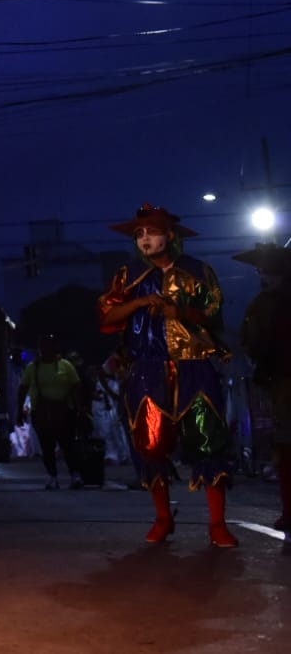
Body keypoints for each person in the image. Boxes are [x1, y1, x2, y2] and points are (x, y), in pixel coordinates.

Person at [98, 204, 237, 547]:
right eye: (140, 234)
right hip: (147, 367)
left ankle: (218, 524)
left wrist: (181, 312)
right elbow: (107, 314)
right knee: (151, 442)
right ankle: (162, 518)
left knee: (208, 439)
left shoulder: (198, 271)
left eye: (152, 232)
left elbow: (214, 315)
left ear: (170, 236)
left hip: (194, 366)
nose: (145, 239)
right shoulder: (128, 274)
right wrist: (138, 305)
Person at [237, 243, 291, 531]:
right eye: (262, 271)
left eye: (270, 271)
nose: (264, 276)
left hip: (283, 381)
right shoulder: (261, 304)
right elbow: (250, 342)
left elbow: (251, 342)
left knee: (286, 448)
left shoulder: (265, 304)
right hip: (281, 382)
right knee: (285, 449)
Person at [16, 335, 83, 490]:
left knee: (68, 445)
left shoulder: (65, 366)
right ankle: (52, 477)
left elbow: (76, 386)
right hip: (41, 412)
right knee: (47, 446)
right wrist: (19, 410)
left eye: (49, 347)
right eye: (43, 347)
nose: (46, 350)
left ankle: (75, 475)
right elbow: (23, 388)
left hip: (64, 411)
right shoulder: (32, 367)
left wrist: (80, 409)